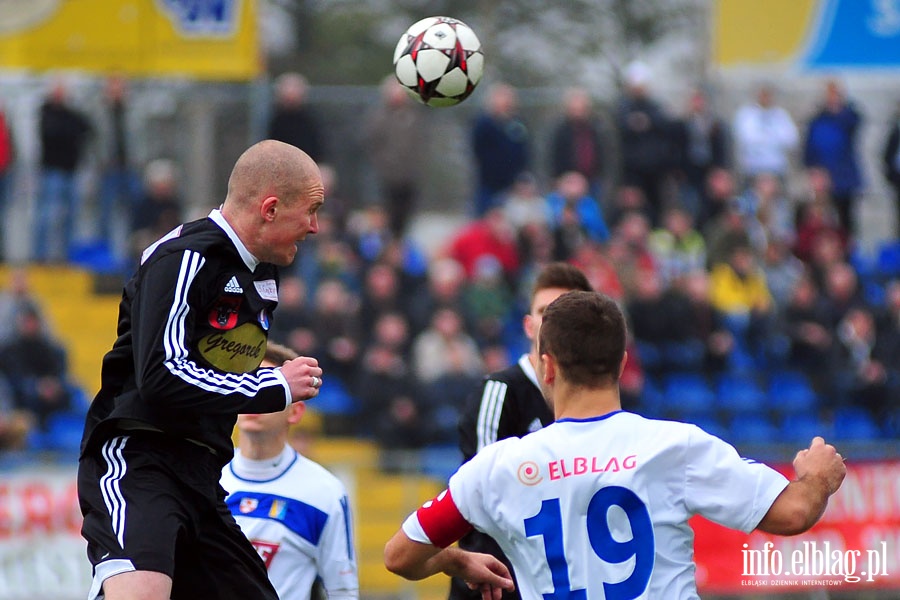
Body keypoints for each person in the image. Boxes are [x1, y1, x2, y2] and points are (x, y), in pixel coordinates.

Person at [385, 291, 846, 599]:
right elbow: (792, 513)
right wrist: (818, 477)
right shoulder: (675, 446)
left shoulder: (497, 466)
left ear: (547, 367)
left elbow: (400, 556)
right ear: (623, 364)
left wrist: (458, 560)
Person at [77, 139, 326, 600]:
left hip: (203, 473)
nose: (314, 227)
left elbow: (214, 360)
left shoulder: (262, 271)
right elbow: (160, 375)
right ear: (270, 208)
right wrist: (273, 385)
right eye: (310, 210)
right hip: (139, 461)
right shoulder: (184, 258)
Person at [449, 262, 592, 600]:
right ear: (529, 326)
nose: (553, 321)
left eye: (566, 311)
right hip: (496, 583)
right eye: (545, 311)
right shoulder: (499, 392)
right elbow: (481, 492)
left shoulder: (596, 401)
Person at [221, 341, 358, 600]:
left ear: (295, 412)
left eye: (267, 389)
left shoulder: (324, 492)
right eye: (248, 386)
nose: (254, 397)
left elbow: (342, 591)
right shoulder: (203, 477)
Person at [35, 78, 93, 263]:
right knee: (47, 215)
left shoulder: (70, 114)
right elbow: (54, 133)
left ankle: (67, 256)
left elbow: (87, 128)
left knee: (70, 217)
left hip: (71, 170)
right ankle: (41, 255)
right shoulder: (46, 112)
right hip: (52, 171)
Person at [803, 79, 863, 235]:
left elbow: (855, 123)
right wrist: (814, 171)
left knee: (846, 218)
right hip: (823, 177)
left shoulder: (847, 117)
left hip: (844, 176)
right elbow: (809, 148)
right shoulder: (818, 120)